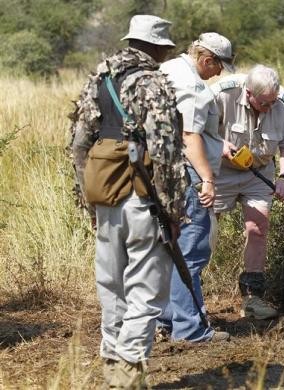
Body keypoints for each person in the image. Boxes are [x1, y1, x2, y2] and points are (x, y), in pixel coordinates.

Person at [70, 15, 186, 388]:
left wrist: (88, 199)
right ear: (156, 48)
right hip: (144, 198)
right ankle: (129, 373)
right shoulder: (152, 83)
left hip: (104, 195)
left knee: (111, 285)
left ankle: (110, 366)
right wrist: (173, 211)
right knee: (146, 289)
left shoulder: (100, 79)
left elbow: (79, 145)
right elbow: (167, 154)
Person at [157, 33, 235, 342]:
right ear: (207, 60)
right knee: (191, 251)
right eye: (218, 67)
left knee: (168, 249)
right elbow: (189, 136)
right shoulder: (193, 86)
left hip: (162, 173)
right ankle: (190, 330)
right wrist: (208, 179)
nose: (218, 74)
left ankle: (167, 320)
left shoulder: (168, 69)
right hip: (187, 176)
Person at [212, 64, 284, 320]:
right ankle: (189, 296)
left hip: (259, 172)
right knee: (204, 230)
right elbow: (196, 133)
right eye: (264, 103)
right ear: (248, 92)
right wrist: (218, 144)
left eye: (272, 102)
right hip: (219, 170)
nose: (269, 107)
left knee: (258, 229)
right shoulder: (221, 94)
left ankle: (252, 299)